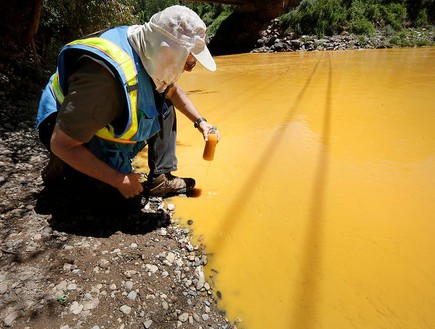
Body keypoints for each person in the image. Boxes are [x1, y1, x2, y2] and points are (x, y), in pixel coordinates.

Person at [36, 5, 220, 199]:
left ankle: (160, 179)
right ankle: (66, 166)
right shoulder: (103, 83)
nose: (190, 69)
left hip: (95, 115)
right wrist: (118, 179)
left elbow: (172, 91)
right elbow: (61, 143)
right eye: (189, 63)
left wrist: (201, 122)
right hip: (63, 127)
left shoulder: (150, 48)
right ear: (170, 54)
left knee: (163, 103)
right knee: (117, 202)